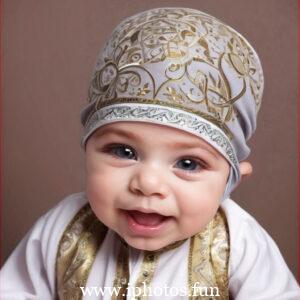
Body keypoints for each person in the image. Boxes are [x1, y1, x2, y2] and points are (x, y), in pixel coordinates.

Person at [1, 7, 299, 300]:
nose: (148, 183)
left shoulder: (238, 242)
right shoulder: (63, 227)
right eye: (124, 151)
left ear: (231, 181)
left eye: (188, 163)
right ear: (87, 149)